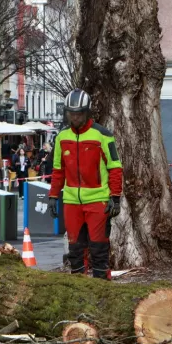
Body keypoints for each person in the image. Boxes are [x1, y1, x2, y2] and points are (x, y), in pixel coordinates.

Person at [47, 89, 123, 280]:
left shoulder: (102, 135)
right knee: (75, 249)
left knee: (98, 248)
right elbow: (58, 170)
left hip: (98, 200)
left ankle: (102, 287)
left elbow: (115, 167)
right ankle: (79, 288)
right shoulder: (62, 138)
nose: (74, 117)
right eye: (71, 113)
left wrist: (115, 197)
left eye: (78, 113)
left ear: (87, 112)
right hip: (72, 201)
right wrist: (53, 196)